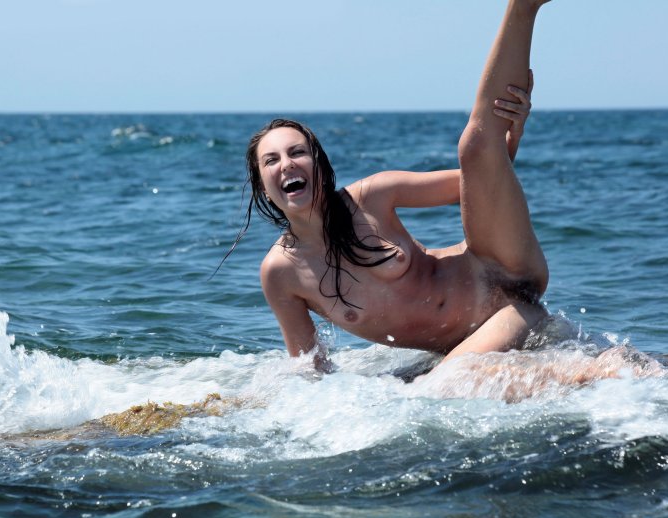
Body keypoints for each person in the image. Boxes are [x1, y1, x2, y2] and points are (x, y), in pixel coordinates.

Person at [234, 0, 553, 375]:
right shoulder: (280, 273)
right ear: (262, 184)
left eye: (297, 152)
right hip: (502, 324)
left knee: (475, 146)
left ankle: (524, 8)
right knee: (441, 386)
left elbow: (481, 183)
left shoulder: (372, 196)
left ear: (319, 165)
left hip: (501, 269)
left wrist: (511, 135)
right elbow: (311, 368)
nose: (287, 164)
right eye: (271, 160)